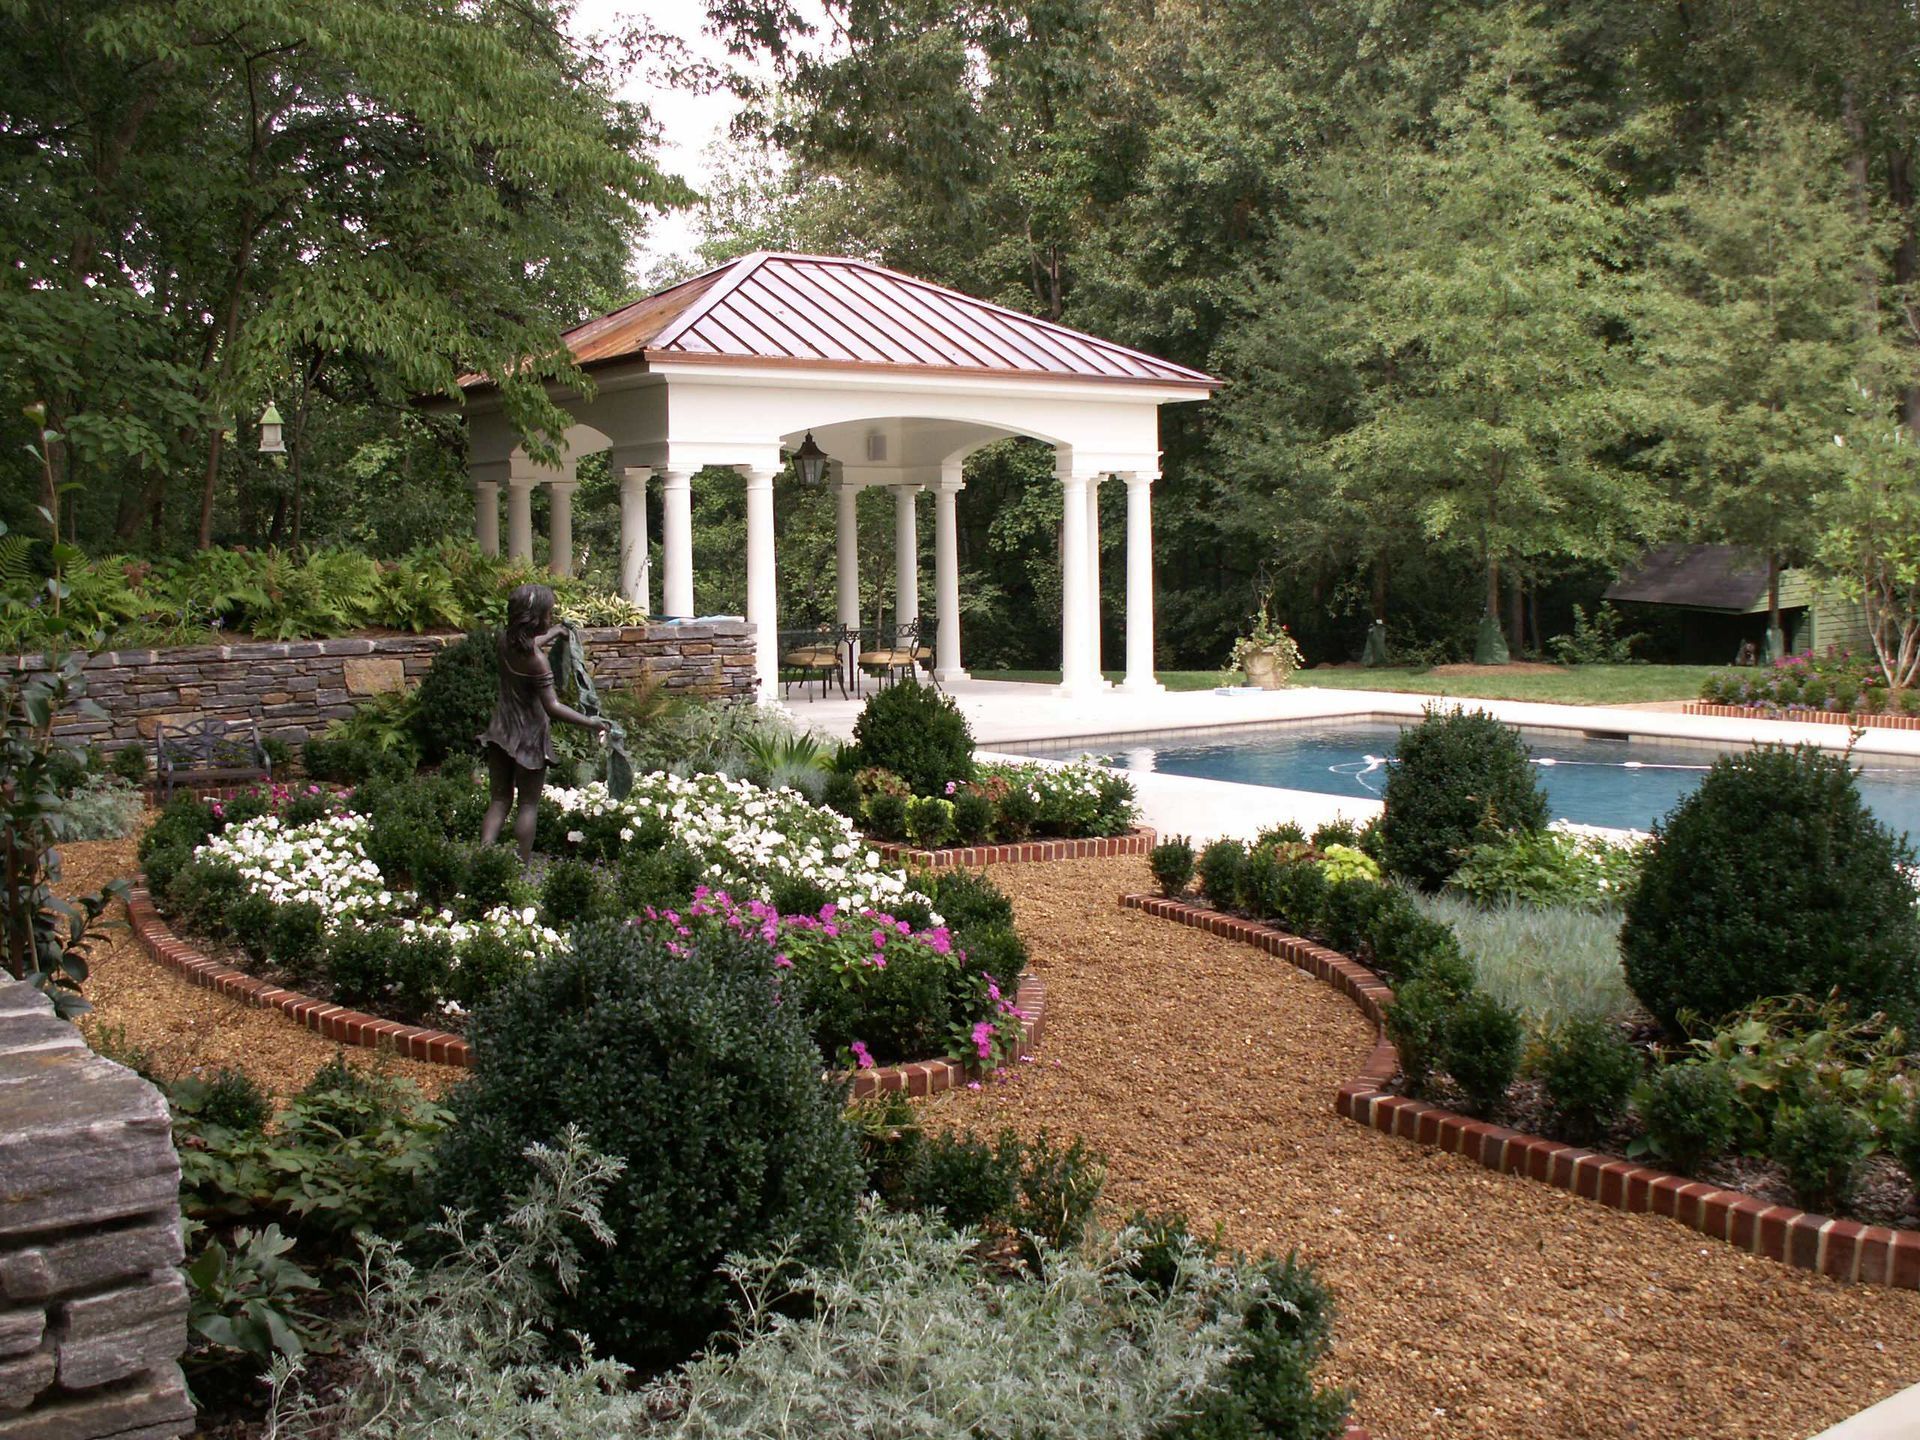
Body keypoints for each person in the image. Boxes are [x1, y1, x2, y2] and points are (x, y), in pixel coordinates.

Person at [478, 584, 610, 861]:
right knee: (528, 804)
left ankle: (484, 856)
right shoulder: (537, 662)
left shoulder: (503, 641)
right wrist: (592, 722)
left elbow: (530, 643)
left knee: (500, 799)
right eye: (549, 614)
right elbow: (553, 707)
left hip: (500, 730)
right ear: (535, 619)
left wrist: (555, 633)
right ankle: (521, 864)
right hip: (528, 737)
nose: (551, 618)